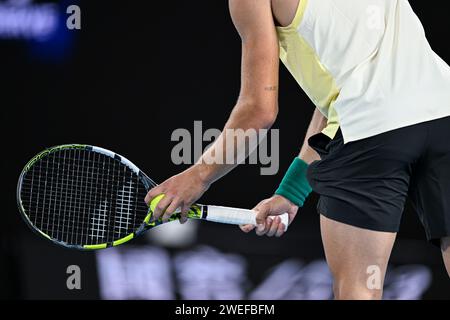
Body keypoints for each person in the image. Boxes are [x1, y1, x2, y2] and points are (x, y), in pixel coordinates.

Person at [145, 0, 450, 299]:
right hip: (444, 114)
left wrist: (199, 176)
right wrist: (293, 190)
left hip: (369, 138)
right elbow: (342, 94)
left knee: (360, 290)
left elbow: (258, 110)